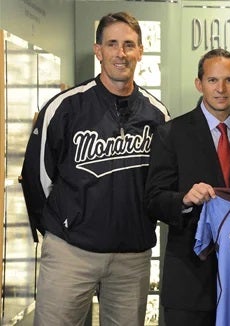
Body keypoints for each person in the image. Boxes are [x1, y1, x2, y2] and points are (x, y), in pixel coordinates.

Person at [20, 12, 169, 325]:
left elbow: (161, 184)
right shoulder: (66, 106)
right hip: (71, 253)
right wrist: (60, 226)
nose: (121, 53)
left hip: (131, 258)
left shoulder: (157, 115)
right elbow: (36, 176)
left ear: (140, 51)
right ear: (98, 50)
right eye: (112, 44)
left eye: (129, 45)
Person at [144, 48, 230, 326]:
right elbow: (153, 199)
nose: (221, 88)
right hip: (189, 281)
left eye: (228, 80)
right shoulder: (171, 133)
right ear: (199, 84)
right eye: (213, 80)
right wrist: (184, 200)